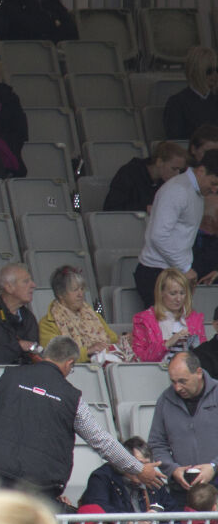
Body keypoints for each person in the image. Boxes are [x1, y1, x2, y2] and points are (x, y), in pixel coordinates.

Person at [0, 335, 165, 500]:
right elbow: (101, 440)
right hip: (40, 489)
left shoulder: (4, 376)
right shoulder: (72, 398)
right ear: (69, 363)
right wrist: (138, 468)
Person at [137, 149, 218, 308]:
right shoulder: (177, 190)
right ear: (201, 171)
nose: (215, 190)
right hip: (157, 271)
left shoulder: (194, 192)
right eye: (214, 183)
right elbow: (158, 236)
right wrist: (185, 268)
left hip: (175, 272)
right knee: (166, 330)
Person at [148, 353, 218, 504]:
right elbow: (157, 443)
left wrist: (214, 466)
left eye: (182, 381)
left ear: (199, 373)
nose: (177, 387)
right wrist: (173, 469)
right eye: (173, 382)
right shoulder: (165, 400)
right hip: (183, 491)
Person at [38, 264, 125, 364]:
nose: (80, 294)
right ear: (60, 294)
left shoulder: (93, 316)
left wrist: (124, 340)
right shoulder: (48, 323)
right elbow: (54, 357)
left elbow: (112, 339)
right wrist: (87, 351)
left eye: (82, 289)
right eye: (75, 290)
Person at [130, 268, 206, 363]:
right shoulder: (144, 320)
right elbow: (139, 358)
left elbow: (204, 355)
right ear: (161, 292)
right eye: (173, 293)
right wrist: (168, 343)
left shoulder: (195, 318)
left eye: (182, 293)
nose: (178, 299)